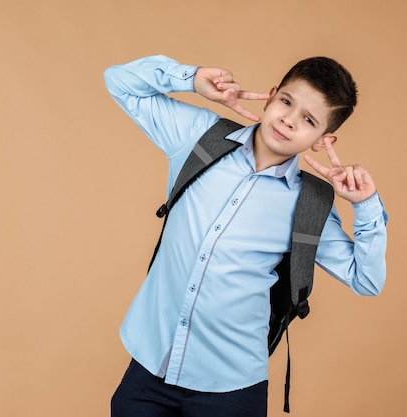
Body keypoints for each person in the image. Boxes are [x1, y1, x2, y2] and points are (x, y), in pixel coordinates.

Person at [104, 55, 388, 417]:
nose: (288, 120)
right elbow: (118, 82)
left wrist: (366, 207)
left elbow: (367, 279)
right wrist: (192, 79)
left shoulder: (309, 203)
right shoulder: (199, 136)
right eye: (286, 101)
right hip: (149, 367)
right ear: (270, 97)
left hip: (231, 389)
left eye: (309, 119)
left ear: (323, 139)